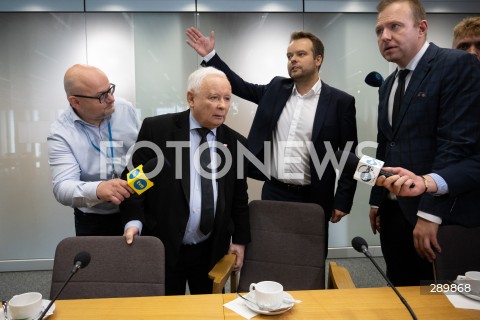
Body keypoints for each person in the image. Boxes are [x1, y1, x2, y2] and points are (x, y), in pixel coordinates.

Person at [185, 27, 358, 248]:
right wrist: (210, 57)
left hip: (314, 196)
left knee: (308, 257)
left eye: (300, 54)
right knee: (269, 252)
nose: (293, 60)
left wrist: (343, 200)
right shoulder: (277, 88)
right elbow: (241, 87)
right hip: (275, 191)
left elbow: (350, 155)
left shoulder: (340, 102)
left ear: (318, 59)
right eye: (289, 56)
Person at [369, 0, 480, 286]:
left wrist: (430, 213)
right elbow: (386, 145)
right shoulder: (388, 84)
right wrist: (376, 200)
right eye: (380, 30)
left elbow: (455, 146)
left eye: (395, 26)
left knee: (437, 297)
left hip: (435, 214)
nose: (385, 36)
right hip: (393, 212)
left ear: (422, 28)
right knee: (402, 289)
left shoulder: (455, 64)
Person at [120, 67, 251, 295]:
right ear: (191, 98)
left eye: (227, 98)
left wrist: (239, 240)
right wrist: (134, 223)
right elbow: (134, 183)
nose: (222, 105)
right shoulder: (157, 130)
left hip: (211, 249)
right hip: (164, 245)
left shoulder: (236, 143)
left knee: (209, 311)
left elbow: (239, 197)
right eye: (213, 97)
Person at [47, 64, 140, 236]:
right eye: (102, 96)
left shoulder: (125, 109)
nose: (111, 99)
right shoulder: (61, 133)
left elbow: (143, 152)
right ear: (75, 101)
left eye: (110, 89)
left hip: (137, 210)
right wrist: (98, 189)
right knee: (99, 263)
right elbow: (62, 187)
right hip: (95, 219)